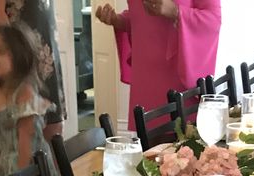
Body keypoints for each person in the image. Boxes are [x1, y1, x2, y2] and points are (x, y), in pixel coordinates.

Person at [95, 0, 221, 129]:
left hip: (178, 81)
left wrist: (176, 11)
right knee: (149, 143)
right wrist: (118, 20)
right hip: (145, 78)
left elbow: (213, 19)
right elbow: (140, 18)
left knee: (184, 143)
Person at [0, 25, 60, 176]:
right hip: (4, 170)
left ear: (18, 55)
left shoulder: (24, 93)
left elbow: (26, 141)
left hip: (32, 169)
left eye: (0, 51)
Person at [0, 0, 67, 141]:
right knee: (20, 138)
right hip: (16, 65)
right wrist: (17, 75)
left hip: (38, 58)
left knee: (51, 131)